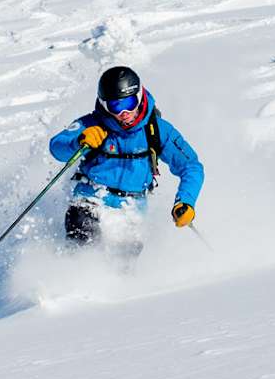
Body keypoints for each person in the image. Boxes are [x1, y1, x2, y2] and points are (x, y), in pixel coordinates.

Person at [48, 66, 203, 252]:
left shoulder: (157, 130)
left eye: (129, 103)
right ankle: (69, 275)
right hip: (91, 198)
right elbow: (57, 147)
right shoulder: (92, 124)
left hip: (132, 209)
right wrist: (77, 142)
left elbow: (191, 166)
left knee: (123, 263)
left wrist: (185, 201)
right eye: (116, 106)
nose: (124, 112)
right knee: (83, 242)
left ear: (139, 96)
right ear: (104, 105)